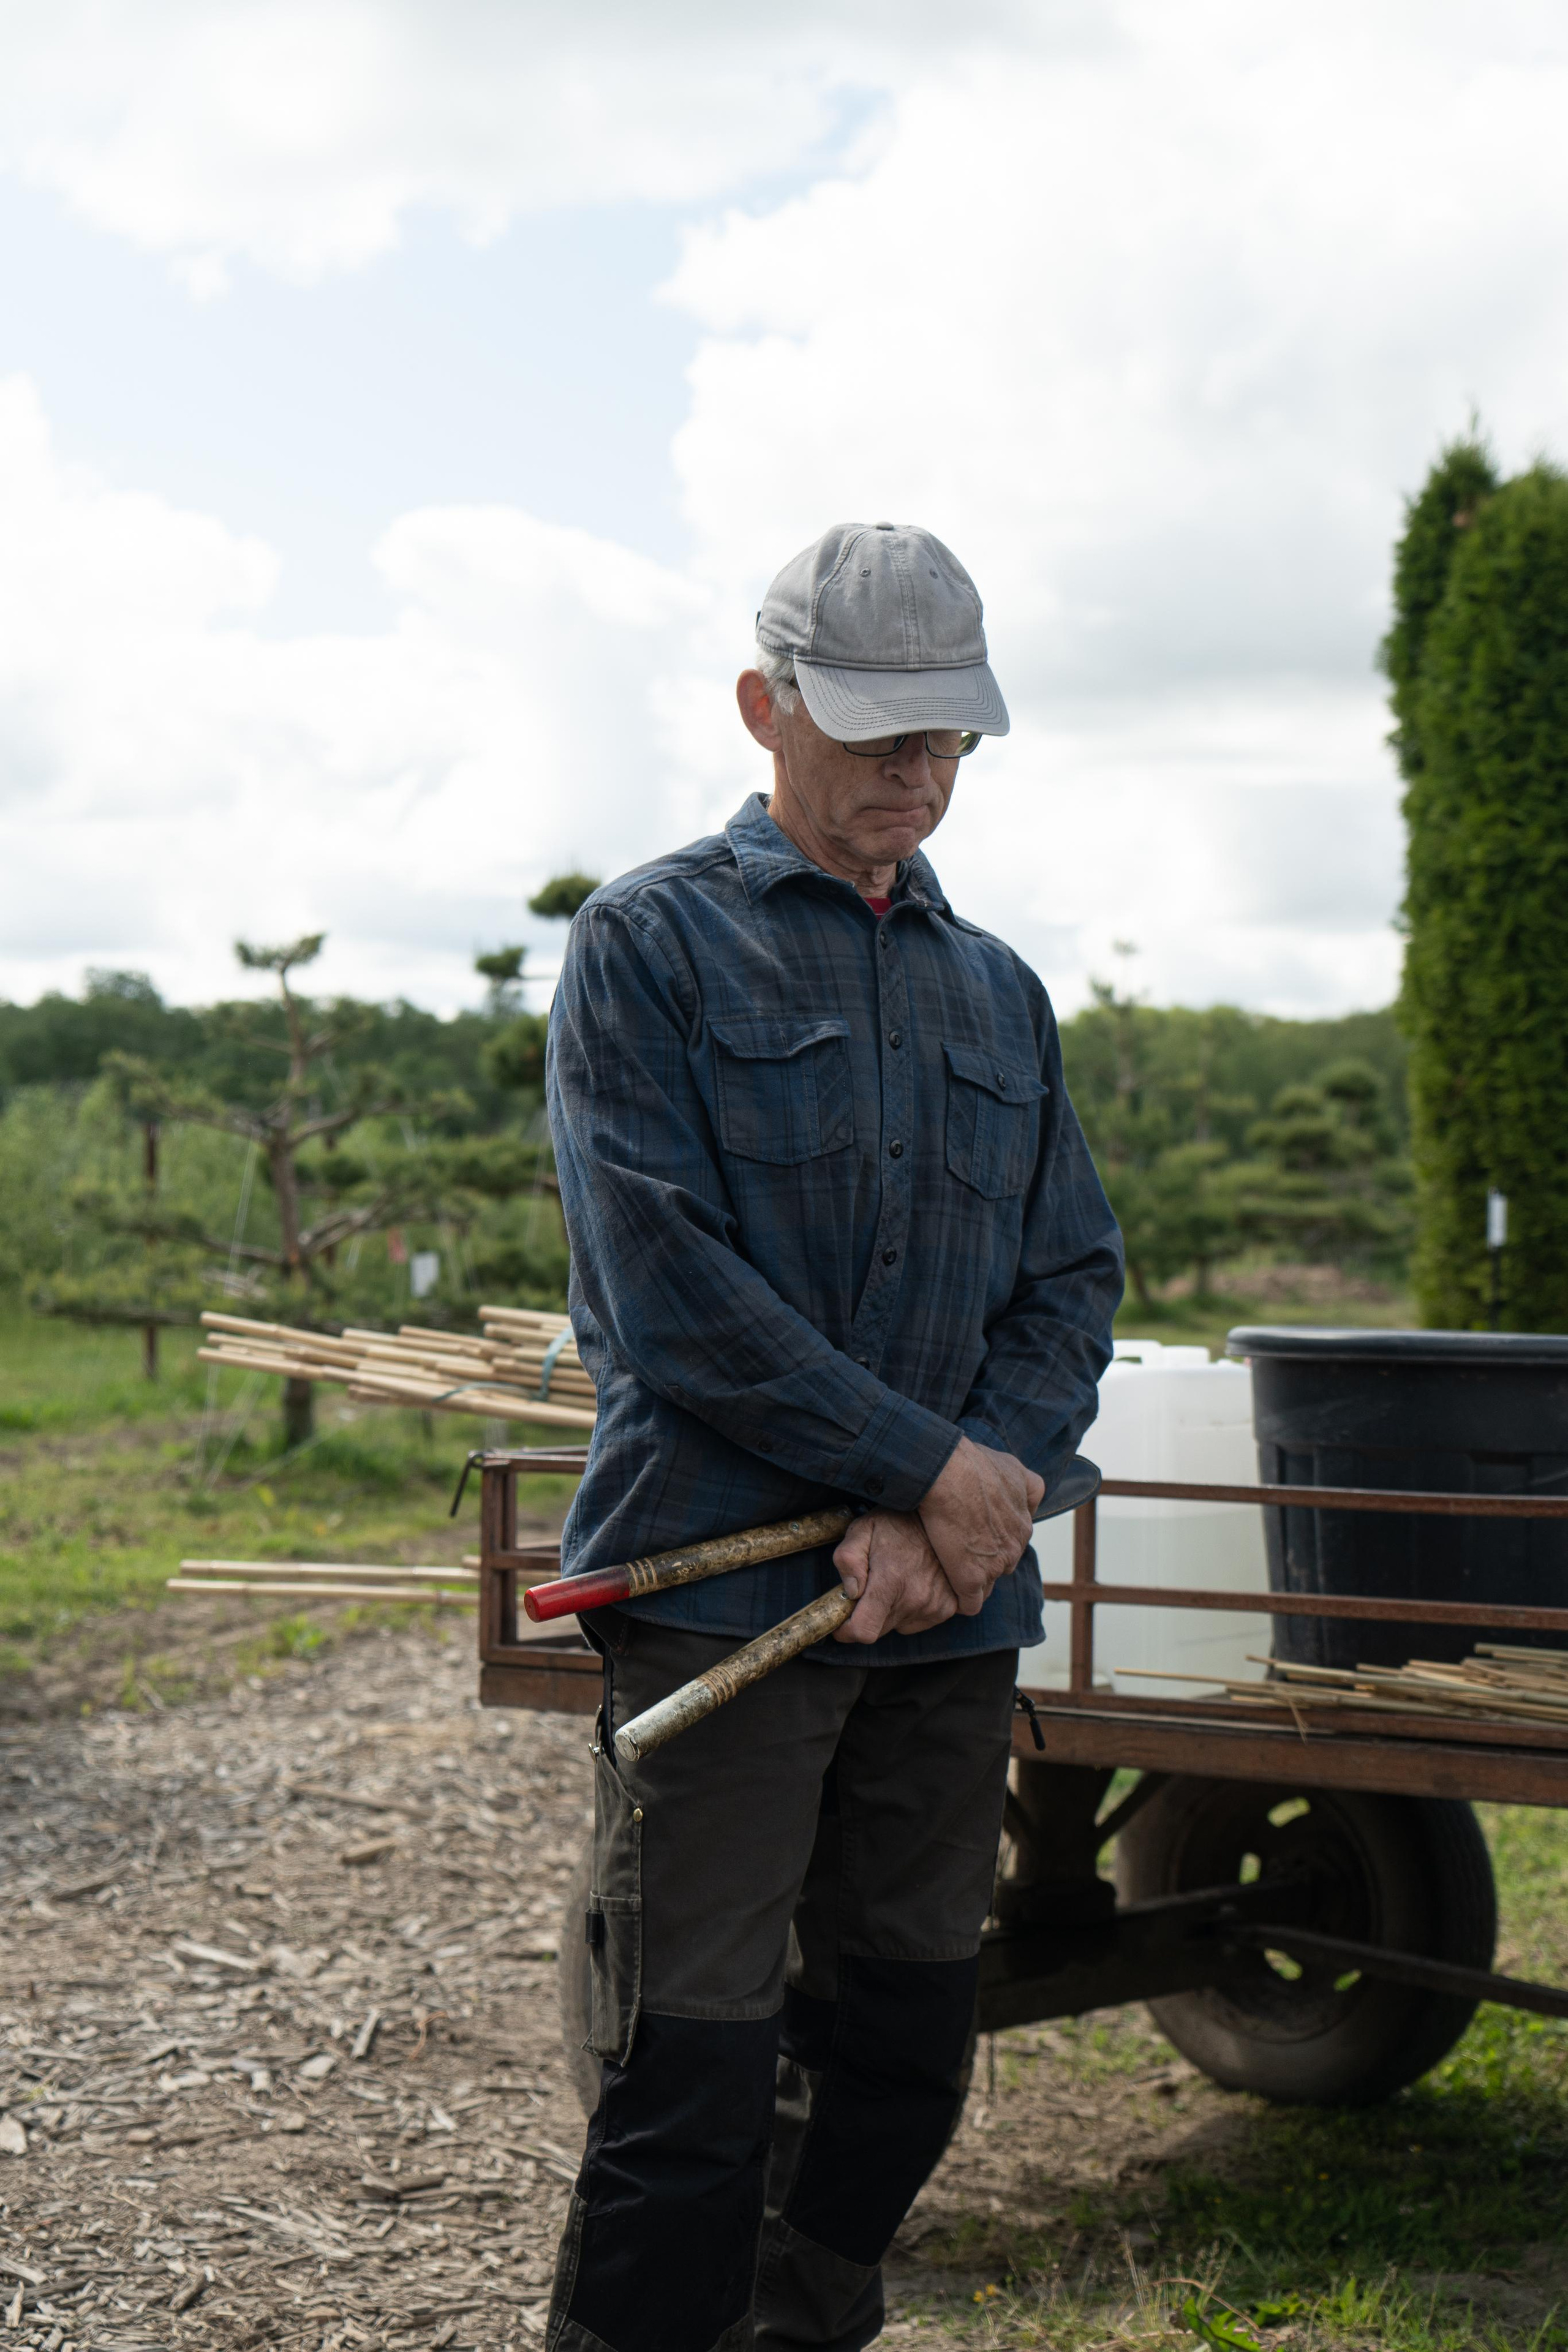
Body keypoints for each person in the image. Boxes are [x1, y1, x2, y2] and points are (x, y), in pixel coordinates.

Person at [543, 521, 1123, 2352]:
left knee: (906, 2043)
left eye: (949, 739)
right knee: (692, 2079)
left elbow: (1072, 1281)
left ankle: (795, 2327)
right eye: (882, 734)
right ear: (762, 705)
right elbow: (666, 1287)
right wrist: (922, 1473)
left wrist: (961, 1507)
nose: (920, 775)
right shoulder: (650, 950)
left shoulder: (998, 992)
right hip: (722, 1598)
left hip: (947, 1615)